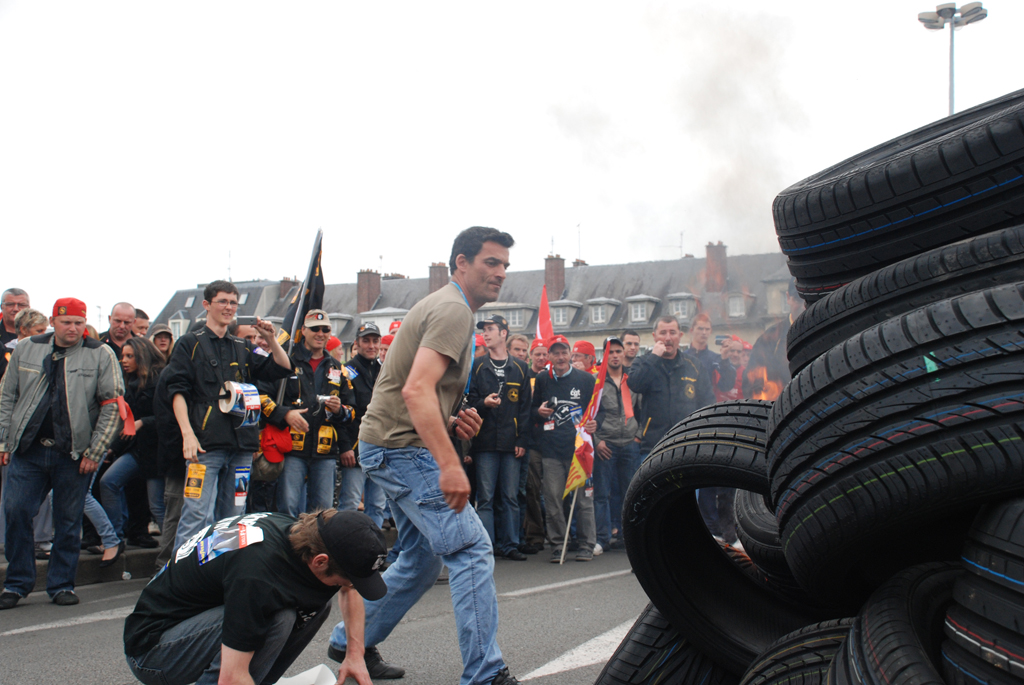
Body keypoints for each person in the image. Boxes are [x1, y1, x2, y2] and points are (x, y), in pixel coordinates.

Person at [327, 226, 521, 685]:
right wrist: (449, 464)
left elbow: (412, 387)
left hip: (389, 443)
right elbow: (416, 390)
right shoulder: (454, 310)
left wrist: (452, 420)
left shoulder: (450, 307)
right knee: (471, 549)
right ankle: (485, 674)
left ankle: (349, 640)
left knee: (421, 559)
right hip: (401, 449)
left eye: (505, 265)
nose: (500, 273)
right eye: (491, 262)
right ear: (461, 263)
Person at [124, 509, 387, 685]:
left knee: (316, 601)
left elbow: (349, 589)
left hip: (190, 624)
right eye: (346, 578)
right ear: (320, 561)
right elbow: (231, 677)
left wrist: (355, 654)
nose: (348, 585)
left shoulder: (307, 534)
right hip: (152, 652)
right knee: (279, 616)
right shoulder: (258, 576)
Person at [0, 297, 125, 609]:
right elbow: (7, 396)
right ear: (53, 321)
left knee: (68, 521)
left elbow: (113, 405)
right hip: (28, 449)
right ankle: (16, 583)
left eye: (79, 323)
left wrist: (95, 451)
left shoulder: (101, 353)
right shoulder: (27, 348)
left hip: (73, 453)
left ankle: (61, 584)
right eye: (66, 322)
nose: (73, 328)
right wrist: (4, 442)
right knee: (16, 512)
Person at [162, 280, 293, 551]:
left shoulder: (243, 346)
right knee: (197, 515)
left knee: (233, 517)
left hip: (242, 446)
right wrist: (187, 434)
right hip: (205, 445)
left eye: (233, 302)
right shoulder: (189, 343)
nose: (229, 307)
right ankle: (181, 571)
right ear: (206, 305)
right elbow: (177, 391)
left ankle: (221, 569)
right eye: (222, 301)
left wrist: (271, 338)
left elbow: (282, 367)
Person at [268, 310, 355, 516]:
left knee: (323, 513)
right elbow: (264, 397)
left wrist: (339, 410)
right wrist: (286, 414)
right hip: (291, 450)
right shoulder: (286, 361)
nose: (320, 333)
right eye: (315, 329)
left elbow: (352, 411)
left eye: (325, 329)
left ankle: (316, 540)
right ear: (303, 330)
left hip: (325, 453)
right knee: (288, 509)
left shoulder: (338, 369)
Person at [468, 315, 531, 561]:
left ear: (503, 333)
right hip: (484, 442)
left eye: (490, 329)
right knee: (485, 497)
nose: (485, 333)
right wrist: (483, 403)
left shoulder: (520, 367)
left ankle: (511, 544)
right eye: (484, 329)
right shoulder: (477, 365)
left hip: (511, 442)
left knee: (510, 497)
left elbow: (525, 408)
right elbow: (469, 402)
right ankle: (487, 545)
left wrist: (522, 440)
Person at [532, 334, 597, 563]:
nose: (560, 357)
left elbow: (597, 411)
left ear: (570, 354)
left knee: (583, 501)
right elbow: (532, 411)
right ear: (549, 356)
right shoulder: (543, 379)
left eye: (564, 352)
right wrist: (539, 412)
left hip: (579, 452)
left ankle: (587, 545)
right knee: (553, 501)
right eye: (556, 353)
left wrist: (595, 423)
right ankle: (559, 545)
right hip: (551, 451)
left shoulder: (586, 379)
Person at [100, 337, 167, 547]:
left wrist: (142, 422)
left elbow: (169, 416)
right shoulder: (129, 383)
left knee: (157, 506)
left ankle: (176, 551)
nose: (124, 361)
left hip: (156, 452)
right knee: (108, 482)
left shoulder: (160, 380)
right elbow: (127, 424)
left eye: (130, 356)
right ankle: (115, 539)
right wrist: (112, 449)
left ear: (142, 357)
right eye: (123, 356)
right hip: (136, 450)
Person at [627, 316, 713, 459]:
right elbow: (635, 384)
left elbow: (707, 402)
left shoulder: (694, 365)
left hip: (687, 444)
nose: (668, 338)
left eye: (672, 333)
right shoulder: (644, 362)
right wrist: (654, 357)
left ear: (680, 336)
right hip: (654, 446)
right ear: (654, 336)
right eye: (663, 333)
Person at [593, 337, 641, 551]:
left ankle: (627, 536)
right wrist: (597, 441)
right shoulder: (596, 381)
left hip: (630, 443)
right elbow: (588, 415)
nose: (614, 355)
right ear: (604, 355)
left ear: (624, 353)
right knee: (602, 494)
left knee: (629, 493)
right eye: (610, 352)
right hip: (606, 444)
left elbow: (643, 409)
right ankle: (602, 538)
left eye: (618, 351)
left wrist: (638, 435)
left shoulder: (633, 379)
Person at [338, 323, 387, 527]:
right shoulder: (345, 371)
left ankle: (373, 543)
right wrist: (345, 446)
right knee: (350, 503)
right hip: (355, 448)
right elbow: (341, 413)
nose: (371, 346)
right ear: (356, 343)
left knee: (377, 505)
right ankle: (344, 543)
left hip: (380, 448)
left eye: (375, 341)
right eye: (366, 341)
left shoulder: (384, 371)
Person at [744, 279, 806, 401]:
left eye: (807, 300)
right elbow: (751, 384)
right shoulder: (769, 339)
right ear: (788, 298)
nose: (804, 306)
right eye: (798, 299)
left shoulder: (827, 333)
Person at [520, 338, 549, 551]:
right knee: (532, 490)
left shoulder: (552, 377)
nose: (541, 358)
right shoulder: (524, 377)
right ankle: (535, 535)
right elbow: (522, 410)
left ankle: (556, 533)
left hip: (553, 442)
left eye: (544, 354)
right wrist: (536, 412)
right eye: (537, 354)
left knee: (553, 492)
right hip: (531, 441)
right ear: (531, 356)